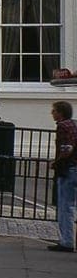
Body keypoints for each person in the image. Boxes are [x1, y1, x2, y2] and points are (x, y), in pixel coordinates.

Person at [52, 99, 76, 253]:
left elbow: (66, 149)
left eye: (54, 111)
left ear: (60, 113)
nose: (52, 113)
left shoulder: (62, 126)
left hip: (68, 169)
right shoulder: (74, 124)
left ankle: (66, 240)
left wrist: (55, 162)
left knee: (65, 206)